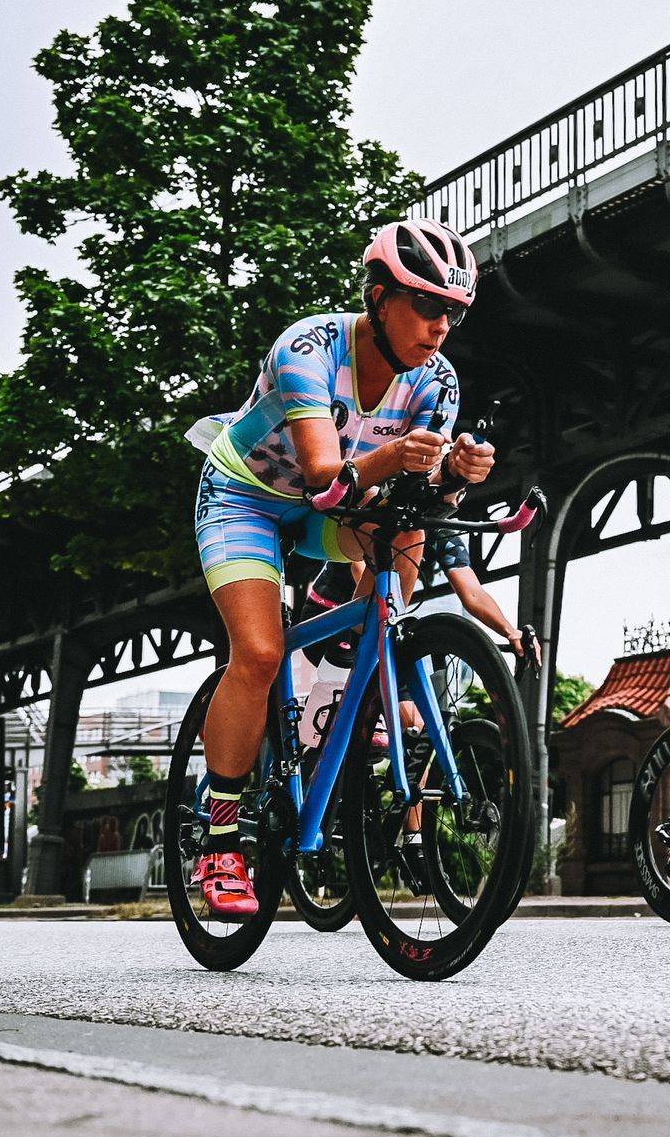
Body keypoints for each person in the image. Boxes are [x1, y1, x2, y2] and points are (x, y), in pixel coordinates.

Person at [183, 218, 495, 917]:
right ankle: (221, 835)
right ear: (379, 296)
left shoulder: (436, 380)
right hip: (249, 498)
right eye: (426, 304)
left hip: (339, 506)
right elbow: (325, 477)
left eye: (453, 311)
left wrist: (457, 474)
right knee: (259, 655)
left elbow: (420, 491)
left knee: (412, 519)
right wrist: (396, 458)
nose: (441, 325)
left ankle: (368, 652)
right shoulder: (310, 348)